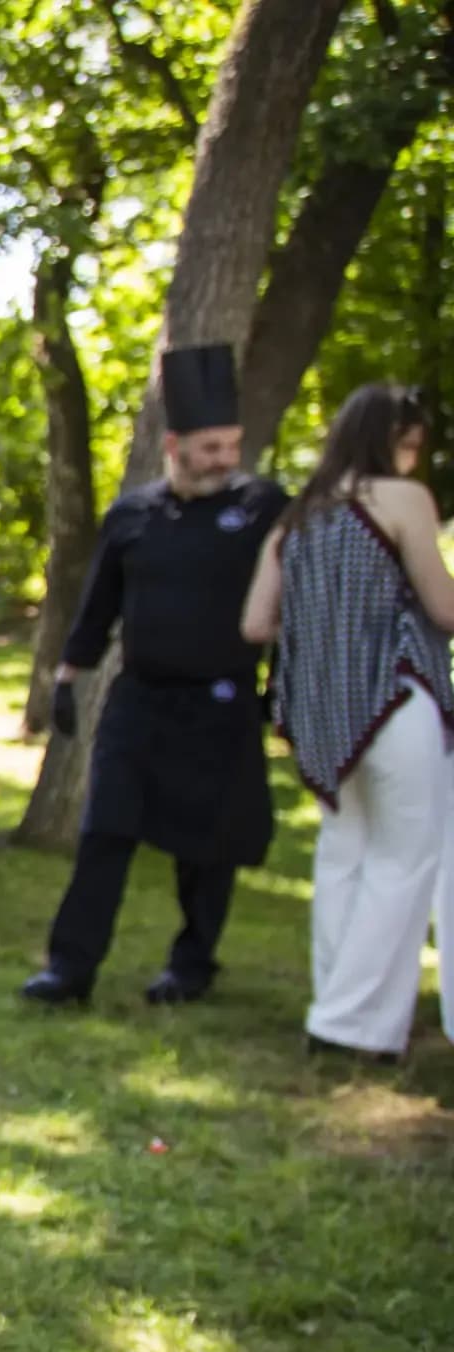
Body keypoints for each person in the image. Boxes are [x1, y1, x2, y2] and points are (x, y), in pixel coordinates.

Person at [21, 343, 287, 1008]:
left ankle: (193, 963)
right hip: (138, 701)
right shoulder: (132, 517)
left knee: (210, 848)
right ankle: (69, 968)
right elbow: (98, 605)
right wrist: (66, 678)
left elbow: (297, 595)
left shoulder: (262, 510)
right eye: (210, 448)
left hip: (221, 705)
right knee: (104, 831)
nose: (225, 458)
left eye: (231, 445)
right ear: (174, 445)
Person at [241, 383, 454, 1060]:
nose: (415, 459)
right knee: (403, 859)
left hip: (326, 713)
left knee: (345, 855)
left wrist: (322, 620)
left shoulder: (297, 517)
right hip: (395, 695)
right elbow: (443, 607)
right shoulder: (401, 501)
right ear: (386, 439)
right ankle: (350, 1023)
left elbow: (255, 622)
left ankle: (338, 1003)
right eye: (410, 443)